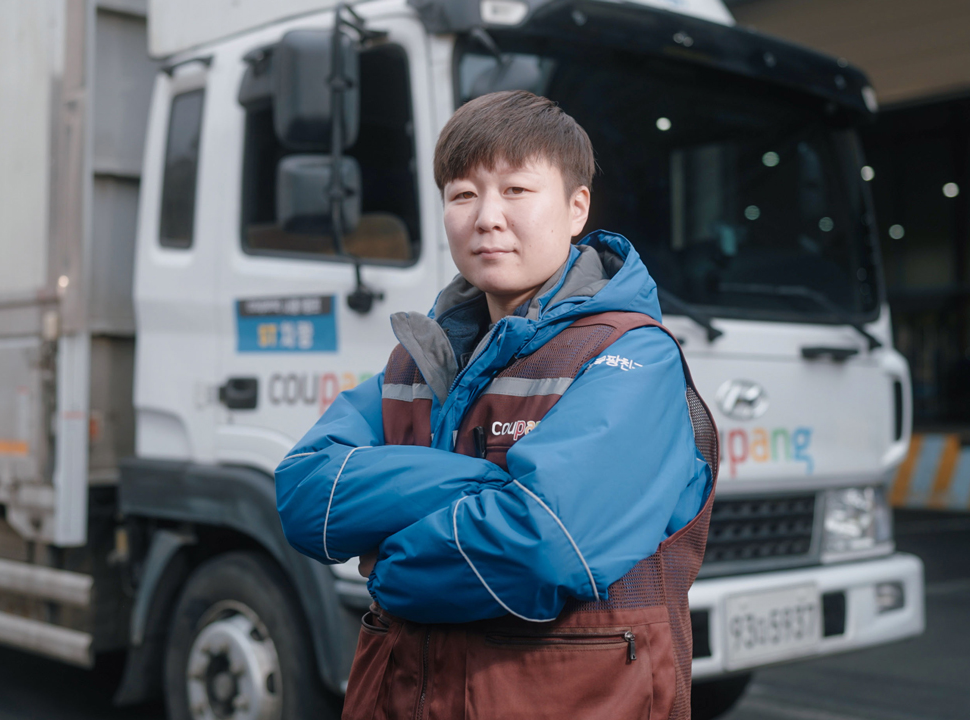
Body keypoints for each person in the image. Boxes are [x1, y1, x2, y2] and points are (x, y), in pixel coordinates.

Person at [276, 90, 719, 720]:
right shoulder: (419, 358)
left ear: (576, 208)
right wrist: (489, 485)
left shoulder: (631, 356)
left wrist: (388, 564)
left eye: (515, 190)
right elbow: (303, 493)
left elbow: (546, 544)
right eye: (463, 194)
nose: (486, 216)